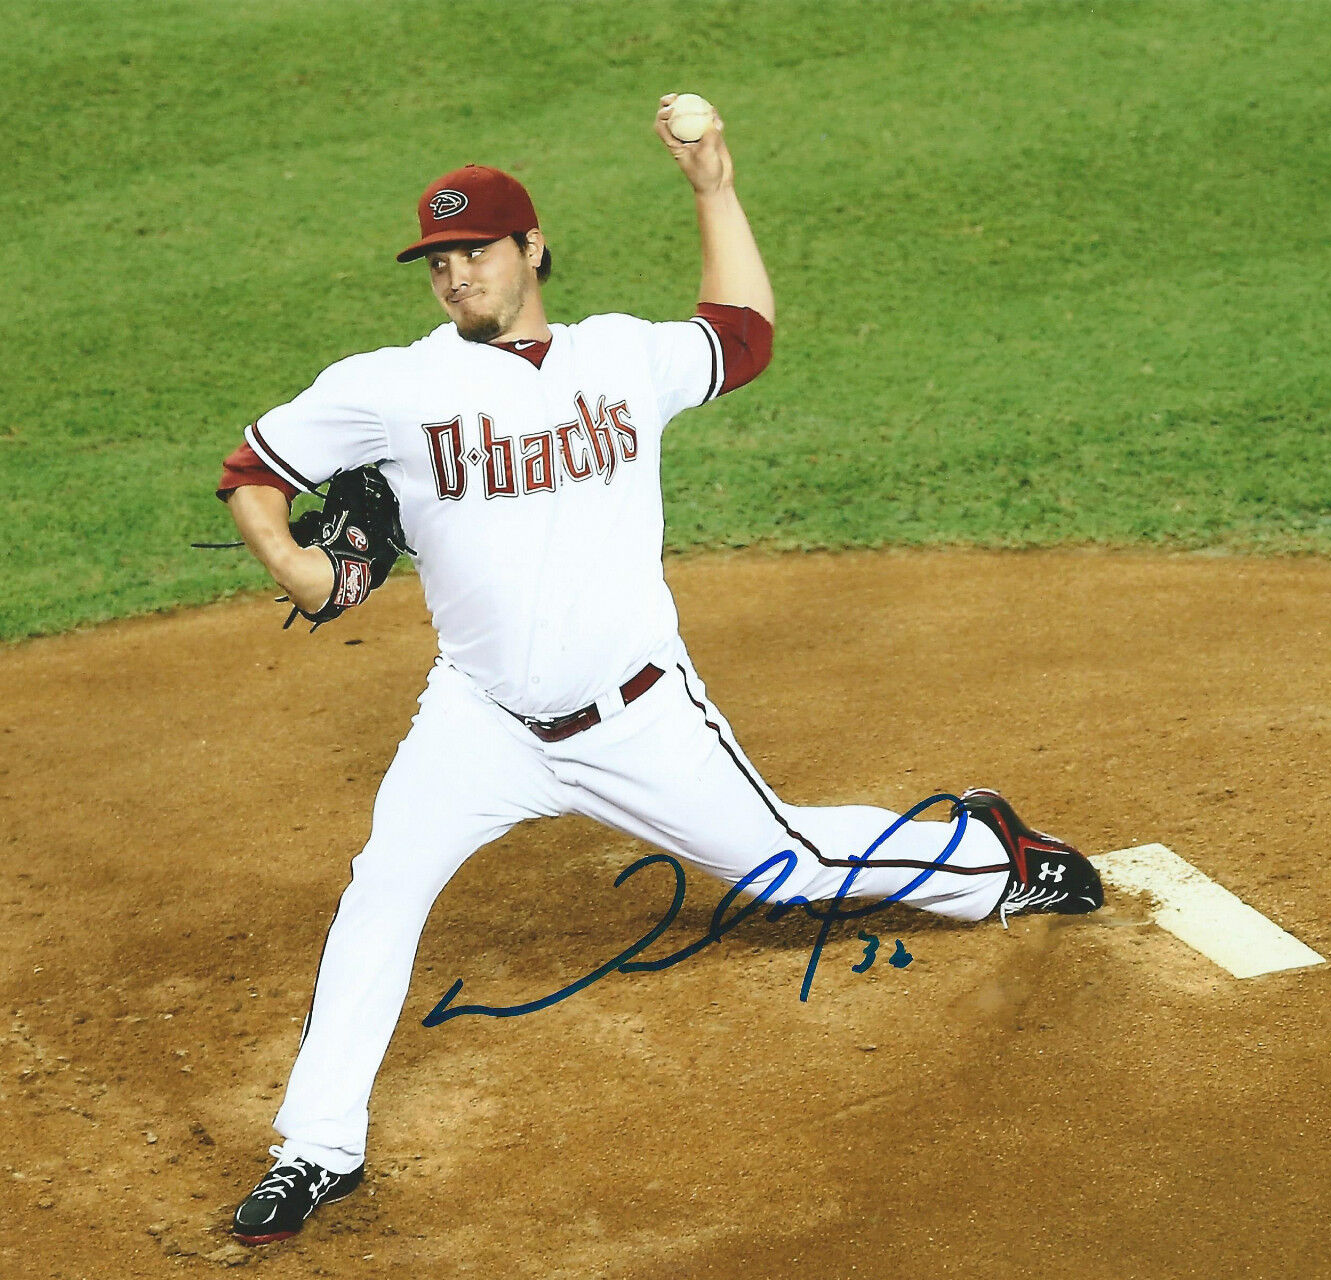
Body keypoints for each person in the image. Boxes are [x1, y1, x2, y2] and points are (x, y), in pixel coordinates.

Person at [213, 94, 1104, 1248]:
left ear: (530, 249)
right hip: (478, 720)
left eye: (474, 250)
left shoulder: (621, 358)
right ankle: (316, 1149)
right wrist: (292, 564)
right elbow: (251, 465)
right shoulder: (392, 386)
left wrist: (711, 183)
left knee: (792, 868)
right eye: (437, 258)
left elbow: (744, 333)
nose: (453, 274)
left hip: (637, 716)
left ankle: (992, 855)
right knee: (383, 887)